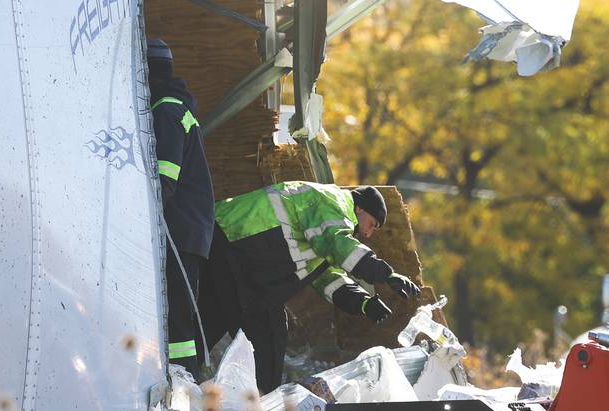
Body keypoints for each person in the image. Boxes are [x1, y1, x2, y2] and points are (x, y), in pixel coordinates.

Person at [199, 181, 421, 393]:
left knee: (210, 325)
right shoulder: (333, 202)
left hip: (240, 259)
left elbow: (325, 276)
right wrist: (387, 274)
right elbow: (340, 246)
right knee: (265, 339)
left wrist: (364, 303)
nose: (368, 234)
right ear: (360, 208)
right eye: (372, 224)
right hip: (235, 245)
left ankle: (184, 374)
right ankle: (256, 410)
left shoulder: (324, 228)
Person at [148, 38, 215, 379]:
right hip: (191, 229)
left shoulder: (166, 110)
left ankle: (182, 385)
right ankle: (186, 381)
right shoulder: (178, 106)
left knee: (176, 317)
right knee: (180, 316)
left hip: (179, 229)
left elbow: (164, 180)